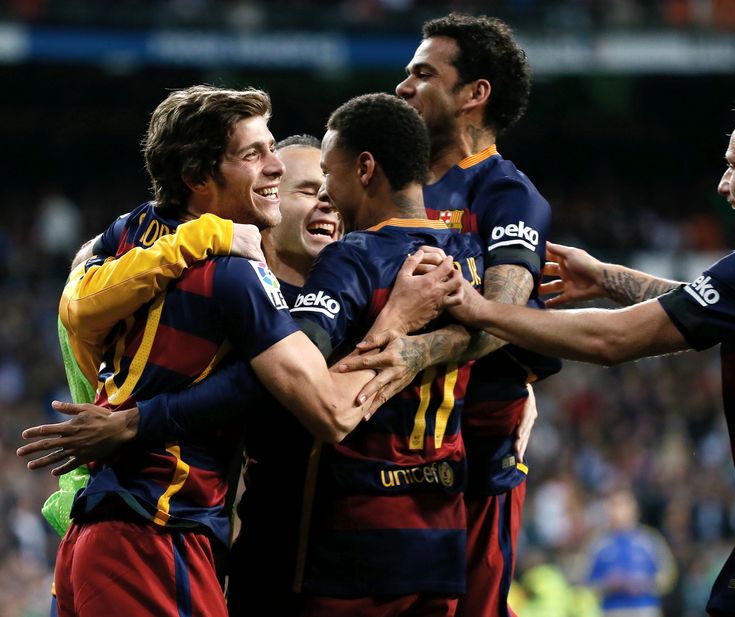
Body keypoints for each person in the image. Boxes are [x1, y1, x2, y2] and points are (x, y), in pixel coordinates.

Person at [447, 87, 735, 617]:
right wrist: (609, 277)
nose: (723, 183)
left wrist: (479, 309)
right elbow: (730, 311)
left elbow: (609, 340)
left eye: (734, 166)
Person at [26, 84, 419, 617]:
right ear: (195, 177)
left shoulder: (139, 232)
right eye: (253, 154)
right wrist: (404, 327)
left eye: (271, 148)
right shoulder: (234, 275)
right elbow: (330, 409)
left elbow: (79, 294)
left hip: (118, 531)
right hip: (156, 532)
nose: (275, 167)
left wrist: (129, 417)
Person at [345, 14, 560, 617]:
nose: (402, 87)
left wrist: (417, 352)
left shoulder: (505, 194)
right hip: (369, 452)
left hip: (472, 463)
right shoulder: (382, 183)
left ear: (474, 93)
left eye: (422, 73)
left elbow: (505, 311)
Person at [288, 92, 484, 617]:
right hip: (442, 536)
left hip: (358, 541)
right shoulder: (466, 253)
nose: (326, 192)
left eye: (329, 172)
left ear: (365, 167)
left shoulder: (351, 258)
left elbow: (299, 370)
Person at [582, 489, 676, 617]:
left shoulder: (650, 539)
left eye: (624, 504)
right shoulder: (597, 543)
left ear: (634, 508)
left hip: (645, 608)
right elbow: (584, 581)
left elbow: (668, 575)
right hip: (610, 610)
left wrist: (644, 583)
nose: (618, 511)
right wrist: (607, 585)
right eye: (614, 505)